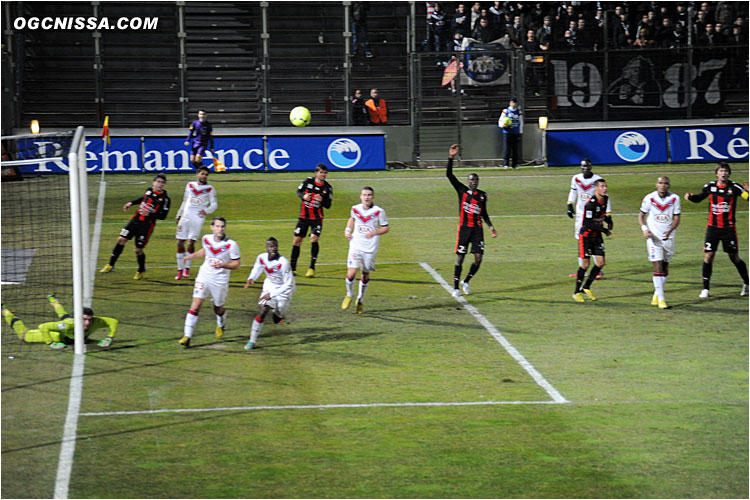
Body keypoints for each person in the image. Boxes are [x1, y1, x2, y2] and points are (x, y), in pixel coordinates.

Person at [684, 163, 749, 298]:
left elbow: (747, 197)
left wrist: (748, 192)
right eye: (721, 171)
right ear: (716, 173)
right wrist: (691, 197)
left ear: (729, 174)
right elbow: (699, 198)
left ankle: (747, 283)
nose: (723, 173)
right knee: (709, 256)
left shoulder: (735, 187)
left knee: (734, 257)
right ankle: (705, 289)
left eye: (726, 171)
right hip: (712, 228)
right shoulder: (710, 187)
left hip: (728, 229)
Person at [179, 217, 241, 348]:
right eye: (217, 226)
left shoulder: (231, 244)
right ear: (212, 227)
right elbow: (206, 250)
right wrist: (191, 256)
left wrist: (223, 265)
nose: (220, 229)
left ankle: (221, 323)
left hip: (220, 280)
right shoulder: (206, 238)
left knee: (217, 308)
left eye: (222, 226)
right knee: (195, 306)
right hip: (204, 275)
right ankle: (187, 336)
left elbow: (237, 264)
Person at [445, 144, 497, 297]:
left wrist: (491, 226)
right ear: (468, 181)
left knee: (478, 258)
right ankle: (455, 287)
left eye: (475, 180)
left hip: (477, 230)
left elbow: (484, 213)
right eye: (471, 180)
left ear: (478, 181)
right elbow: (449, 175)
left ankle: (466, 281)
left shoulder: (482, 195)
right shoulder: (462, 191)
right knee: (460, 257)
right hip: (464, 229)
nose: (473, 182)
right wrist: (450, 158)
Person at [100, 174, 170, 280]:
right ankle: (110, 265)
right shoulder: (149, 191)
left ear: (164, 184)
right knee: (121, 239)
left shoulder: (165, 199)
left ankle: (141, 270)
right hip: (135, 220)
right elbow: (143, 198)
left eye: (162, 183)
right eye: (158, 182)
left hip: (147, 225)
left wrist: (149, 214)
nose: (160, 184)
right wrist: (131, 203)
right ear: (153, 182)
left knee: (138, 250)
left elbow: (163, 216)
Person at [2, 294, 117, 349]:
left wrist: (109, 337)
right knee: (24, 335)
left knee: (64, 316)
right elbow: (43, 327)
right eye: (84, 320)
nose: (87, 323)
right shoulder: (67, 325)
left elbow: (113, 321)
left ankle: (54, 301)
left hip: (69, 334)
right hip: (56, 337)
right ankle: (5, 311)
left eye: (89, 320)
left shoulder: (96, 322)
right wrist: (51, 343)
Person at [341, 186, 389, 314]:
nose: (366, 197)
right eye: (364, 195)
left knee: (365, 274)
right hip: (356, 245)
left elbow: (385, 228)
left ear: (372, 197)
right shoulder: (355, 208)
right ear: (361, 196)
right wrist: (347, 230)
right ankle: (349, 294)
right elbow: (352, 219)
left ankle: (360, 299)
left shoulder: (379, 211)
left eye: (369, 195)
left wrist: (374, 233)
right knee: (351, 273)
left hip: (370, 248)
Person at [243, 237, 296, 350]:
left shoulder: (283, 263)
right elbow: (257, 267)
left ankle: (278, 314)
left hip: (284, 289)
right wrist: (251, 278)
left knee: (276, 318)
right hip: (270, 286)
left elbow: (289, 284)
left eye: (275, 246)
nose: (273, 249)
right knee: (263, 310)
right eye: (271, 246)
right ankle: (252, 341)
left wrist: (272, 295)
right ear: (267, 247)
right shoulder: (261, 257)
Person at [638, 177, 681, 309]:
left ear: (669, 185)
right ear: (656, 184)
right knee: (657, 265)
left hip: (668, 237)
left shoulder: (675, 198)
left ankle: (657, 293)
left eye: (665, 183)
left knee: (665, 266)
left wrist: (670, 231)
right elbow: (641, 216)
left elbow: (677, 217)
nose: (663, 185)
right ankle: (662, 300)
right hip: (653, 237)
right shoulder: (649, 198)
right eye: (660, 183)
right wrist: (645, 229)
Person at [174, 166, 218, 280]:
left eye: (206, 174)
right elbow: (185, 200)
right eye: (202, 174)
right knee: (180, 242)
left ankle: (187, 268)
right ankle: (180, 269)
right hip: (185, 217)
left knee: (191, 243)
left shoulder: (210, 189)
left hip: (197, 218)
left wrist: (206, 211)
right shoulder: (189, 185)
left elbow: (214, 204)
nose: (204, 176)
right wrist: (179, 214)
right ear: (197, 174)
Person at [566, 158, 608, 279]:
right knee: (580, 239)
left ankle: (597, 270)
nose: (585, 168)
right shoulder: (576, 178)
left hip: (594, 214)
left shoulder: (597, 180)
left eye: (587, 166)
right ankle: (582, 269)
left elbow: (604, 197)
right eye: (583, 166)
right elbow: (573, 192)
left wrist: (607, 215)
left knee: (594, 238)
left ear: (591, 167)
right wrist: (570, 204)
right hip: (580, 214)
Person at [573, 179, 612, 302]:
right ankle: (576, 292)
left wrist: (609, 221)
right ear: (595, 188)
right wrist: (604, 230)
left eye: (605, 186)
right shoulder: (590, 204)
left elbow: (601, 214)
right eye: (602, 186)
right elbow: (587, 223)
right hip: (586, 236)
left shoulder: (605, 199)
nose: (605, 189)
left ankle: (586, 287)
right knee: (585, 265)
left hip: (597, 236)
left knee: (600, 263)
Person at [290, 164, 333, 277]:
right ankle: (292, 269)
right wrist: (303, 196)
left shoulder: (327, 188)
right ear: (316, 173)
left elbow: (328, 205)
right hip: (304, 217)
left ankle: (311, 268)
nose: (323, 175)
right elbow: (298, 192)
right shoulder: (308, 181)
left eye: (325, 173)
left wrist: (322, 200)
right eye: (321, 172)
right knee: (297, 241)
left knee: (314, 239)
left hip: (317, 218)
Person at [498, 97, 521, 169]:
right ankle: (506, 164)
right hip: (507, 132)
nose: (514, 104)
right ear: (510, 103)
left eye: (515, 103)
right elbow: (500, 121)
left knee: (515, 149)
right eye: (512, 102)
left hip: (515, 132)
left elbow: (521, 122)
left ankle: (515, 164)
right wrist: (503, 125)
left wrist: (520, 131)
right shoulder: (506, 111)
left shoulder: (518, 112)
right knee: (507, 148)